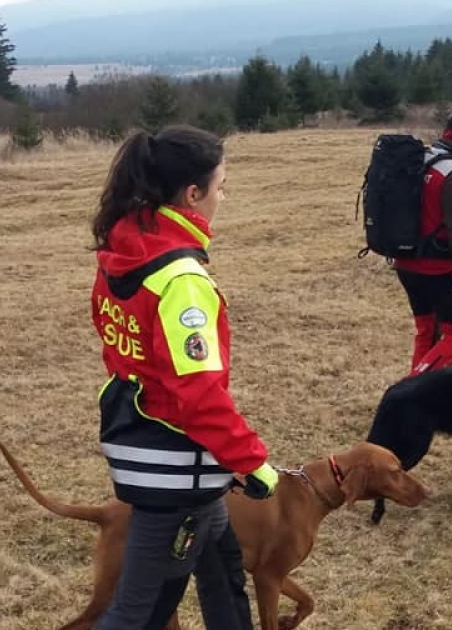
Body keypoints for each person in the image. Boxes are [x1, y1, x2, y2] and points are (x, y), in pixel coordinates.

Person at [89, 124, 278, 630]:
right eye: (220, 186)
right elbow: (196, 393)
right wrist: (251, 460)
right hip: (175, 468)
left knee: (224, 574)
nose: (223, 197)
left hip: (146, 445)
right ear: (193, 194)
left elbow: (117, 343)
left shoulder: (125, 250)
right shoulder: (182, 280)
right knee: (139, 613)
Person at [394, 110, 452, 376]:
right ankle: (414, 390)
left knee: (428, 330)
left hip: (406, 262)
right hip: (437, 269)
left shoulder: (421, 160)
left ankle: (412, 393)